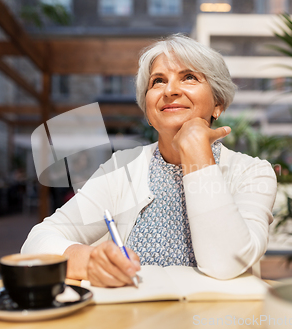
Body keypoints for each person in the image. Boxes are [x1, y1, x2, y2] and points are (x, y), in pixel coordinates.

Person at [21, 34, 277, 287]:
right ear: (149, 112)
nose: (170, 90)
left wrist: (197, 153)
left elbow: (226, 265)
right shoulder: (121, 169)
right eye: (158, 81)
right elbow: (36, 242)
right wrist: (87, 261)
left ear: (218, 104)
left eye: (189, 77)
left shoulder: (253, 173)